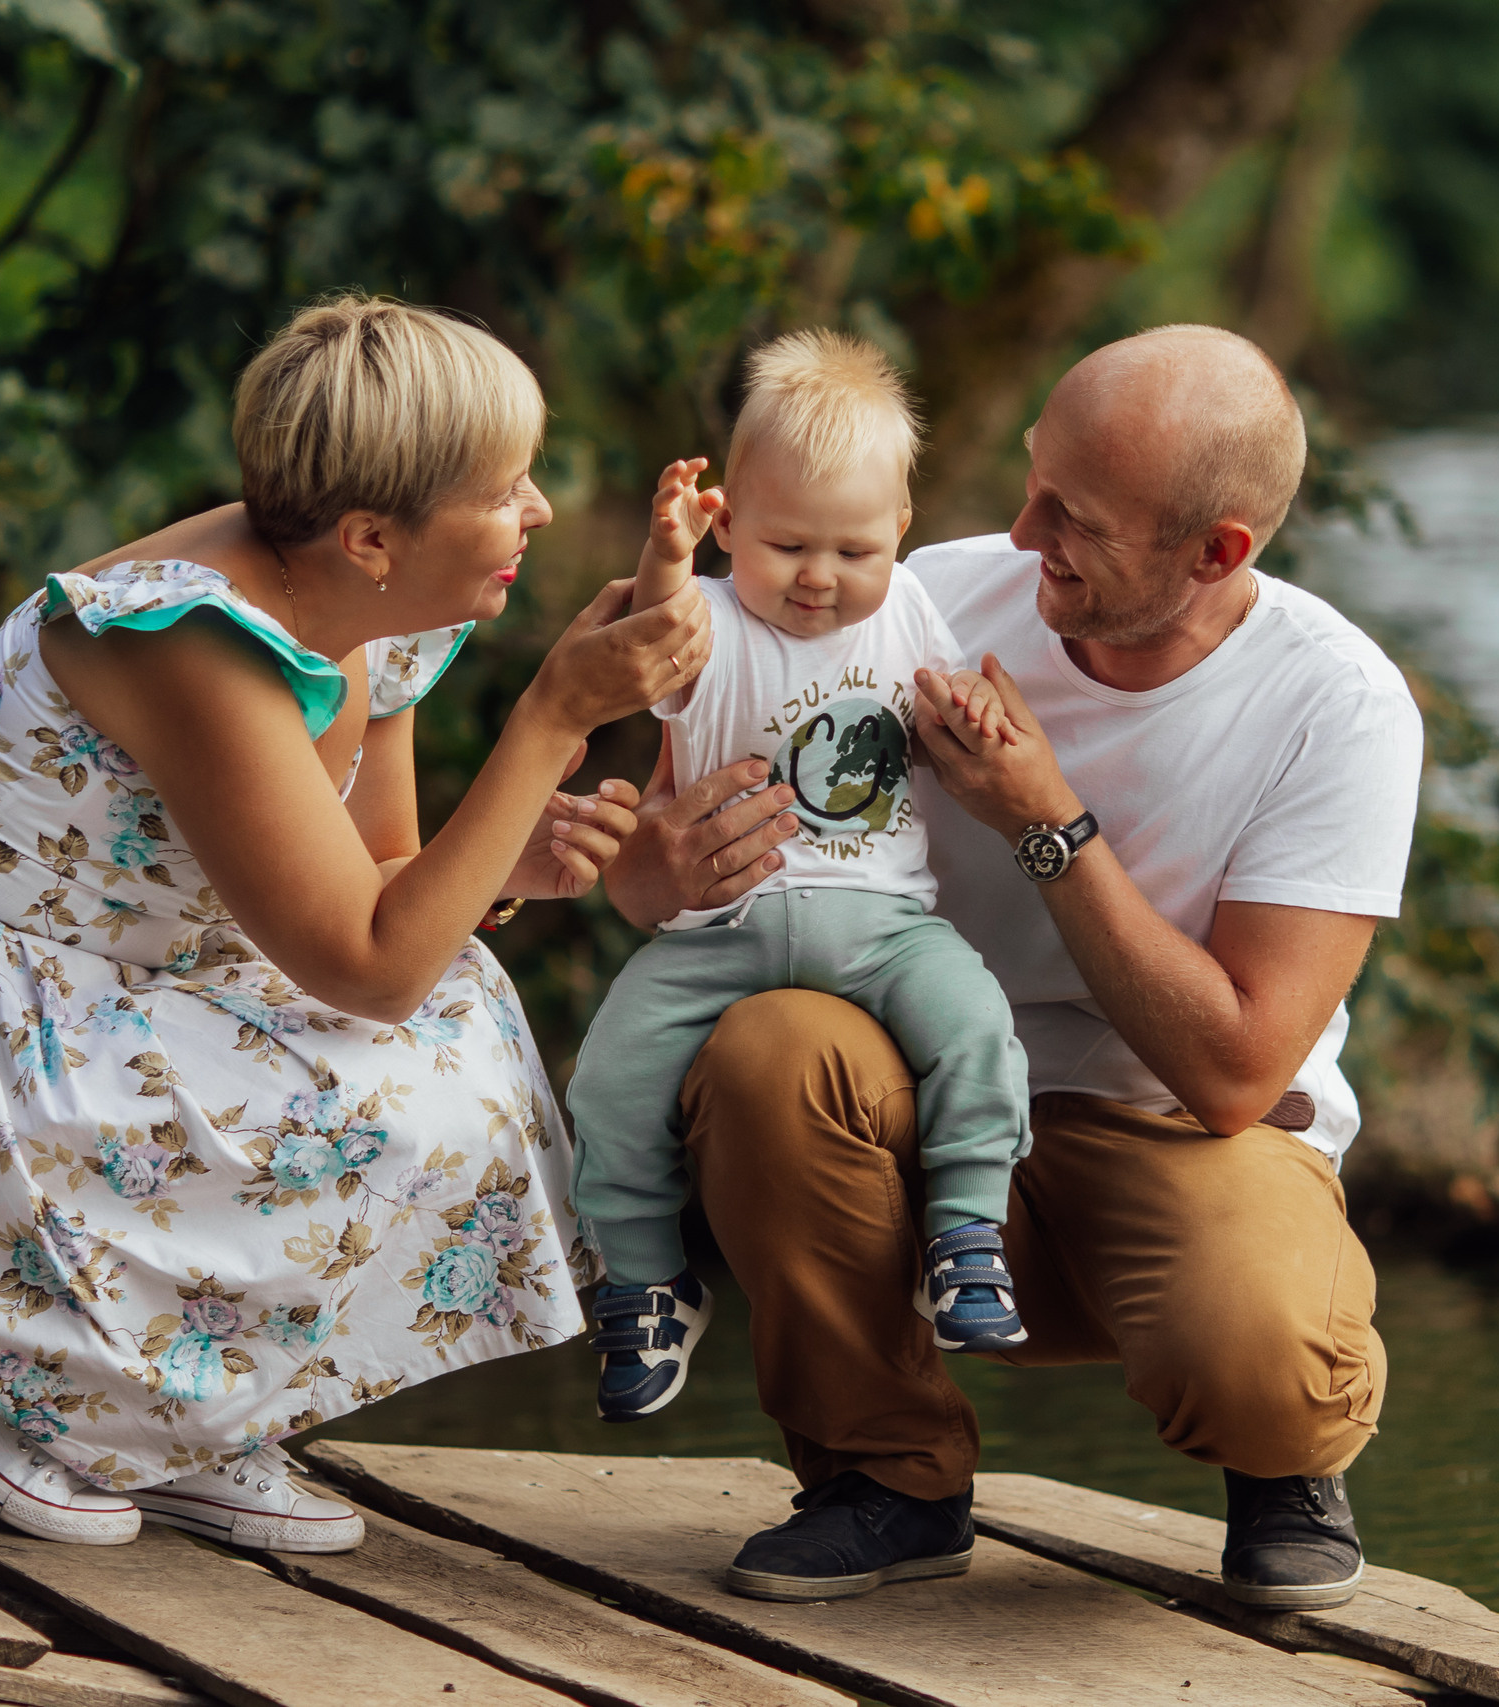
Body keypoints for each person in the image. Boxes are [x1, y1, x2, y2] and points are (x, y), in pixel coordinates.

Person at [0, 296, 706, 1553]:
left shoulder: (371, 596)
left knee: (461, 1030)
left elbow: (379, 880)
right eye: (508, 490)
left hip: (102, 984)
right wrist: (547, 722)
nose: (536, 513)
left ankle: (168, 1413)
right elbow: (368, 964)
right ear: (372, 532)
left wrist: (514, 857)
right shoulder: (193, 638)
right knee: (413, 1022)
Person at [602, 323, 1424, 1609]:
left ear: (1217, 552)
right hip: (916, 1098)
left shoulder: (1338, 707)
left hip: (1181, 1131)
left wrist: (1045, 822)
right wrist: (657, 875)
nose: (1022, 528)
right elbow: (708, 863)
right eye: (1033, 480)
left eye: (1073, 517)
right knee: (764, 1048)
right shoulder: (923, 594)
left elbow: (1234, 1075)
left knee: (1266, 1362)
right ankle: (886, 1480)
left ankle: (1284, 1469)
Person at [565, 332, 1034, 1433]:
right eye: (785, 545)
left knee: (975, 1030)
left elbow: (943, 712)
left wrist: (970, 715)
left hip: (884, 924)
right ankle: (644, 1282)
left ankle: (965, 1239)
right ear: (730, 524)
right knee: (607, 1078)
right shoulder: (712, 621)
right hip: (718, 931)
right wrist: (666, 554)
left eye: (853, 550)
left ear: (899, 536)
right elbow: (649, 633)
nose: (820, 578)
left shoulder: (909, 607)